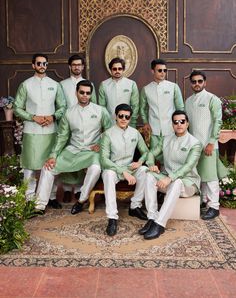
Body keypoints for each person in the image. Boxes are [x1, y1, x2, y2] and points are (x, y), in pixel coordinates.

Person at [35, 79, 111, 214]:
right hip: (73, 149)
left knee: (95, 168)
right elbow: (62, 137)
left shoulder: (100, 111)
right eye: (82, 92)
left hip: (91, 151)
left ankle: (82, 200)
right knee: (48, 167)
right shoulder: (69, 113)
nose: (85, 95)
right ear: (76, 93)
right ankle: (39, 206)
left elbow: (110, 132)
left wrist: (100, 144)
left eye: (88, 93)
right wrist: (53, 155)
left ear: (91, 94)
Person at [139, 110, 202, 240]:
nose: (179, 124)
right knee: (148, 174)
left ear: (187, 123)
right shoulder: (166, 139)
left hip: (188, 183)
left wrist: (170, 178)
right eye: (175, 122)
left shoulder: (195, 143)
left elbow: (188, 167)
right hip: (167, 179)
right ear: (172, 125)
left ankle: (160, 224)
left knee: (177, 182)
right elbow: (151, 153)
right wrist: (151, 164)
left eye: (182, 121)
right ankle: (152, 217)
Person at [13, 53, 66, 206]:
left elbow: (62, 106)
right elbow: (17, 108)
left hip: (51, 131)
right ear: (33, 65)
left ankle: (51, 197)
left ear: (47, 66)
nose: (42, 66)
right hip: (32, 131)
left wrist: (53, 117)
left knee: (51, 165)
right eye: (39, 63)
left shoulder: (55, 85)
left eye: (44, 64)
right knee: (29, 166)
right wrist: (33, 117)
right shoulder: (26, 84)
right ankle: (29, 199)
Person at [100, 103, 149, 237]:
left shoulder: (135, 133)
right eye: (120, 116)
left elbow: (145, 152)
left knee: (145, 170)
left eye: (127, 117)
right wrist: (123, 172)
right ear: (115, 116)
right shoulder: (107, 134)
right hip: (113, 168)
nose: (123, 119)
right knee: (109, 174)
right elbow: (104, 160)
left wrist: (139, 162)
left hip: (130, 167)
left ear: (130, 118)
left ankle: (135, 206)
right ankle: (112, 217)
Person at [185, 71, 227, 220]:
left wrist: (211, 142)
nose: (197, 84)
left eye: (200, 81)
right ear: (191, 83)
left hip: (209, 144)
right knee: (199, 174)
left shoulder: (212, 99)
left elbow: (218, 121)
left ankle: (214, 206)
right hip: (194, 145)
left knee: (210, 177)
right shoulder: (188, 101)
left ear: (205, 82)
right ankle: (203, 202)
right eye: (194, 81)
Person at [59, 54, 97, 203]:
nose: (76, 67)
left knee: (83, 157)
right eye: (73, 65)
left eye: (79, 65)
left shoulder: (88, 84)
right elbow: (60, 104)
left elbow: (94, 106)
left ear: (82, 67)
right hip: (68, 123)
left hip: (86, 126)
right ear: (70, 67)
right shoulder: (62, 84)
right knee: (68, 157)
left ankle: (81, 189)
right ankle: (68, 189)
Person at [140, 59, 184, 151]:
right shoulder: (146, 89)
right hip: (154, 129)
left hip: (171, 128)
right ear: (153, 71)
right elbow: (142, 108)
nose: (163, 73)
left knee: (172, 155)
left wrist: (180, 125)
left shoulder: (173, 87)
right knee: (155, 157)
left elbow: (180, 108)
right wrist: (145, 122)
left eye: (165, 70)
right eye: (160, 70)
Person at [98, 57, 139, 128]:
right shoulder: (104, 85)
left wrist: (131, 122)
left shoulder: (131, 84)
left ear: (123, 69)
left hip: (128, 123)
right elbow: (102, 107)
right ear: (110, 70)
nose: (117, 71)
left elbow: (135, 106)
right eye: (114, 69)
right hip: (110, 124)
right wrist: (106, 124)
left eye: (120, 69)